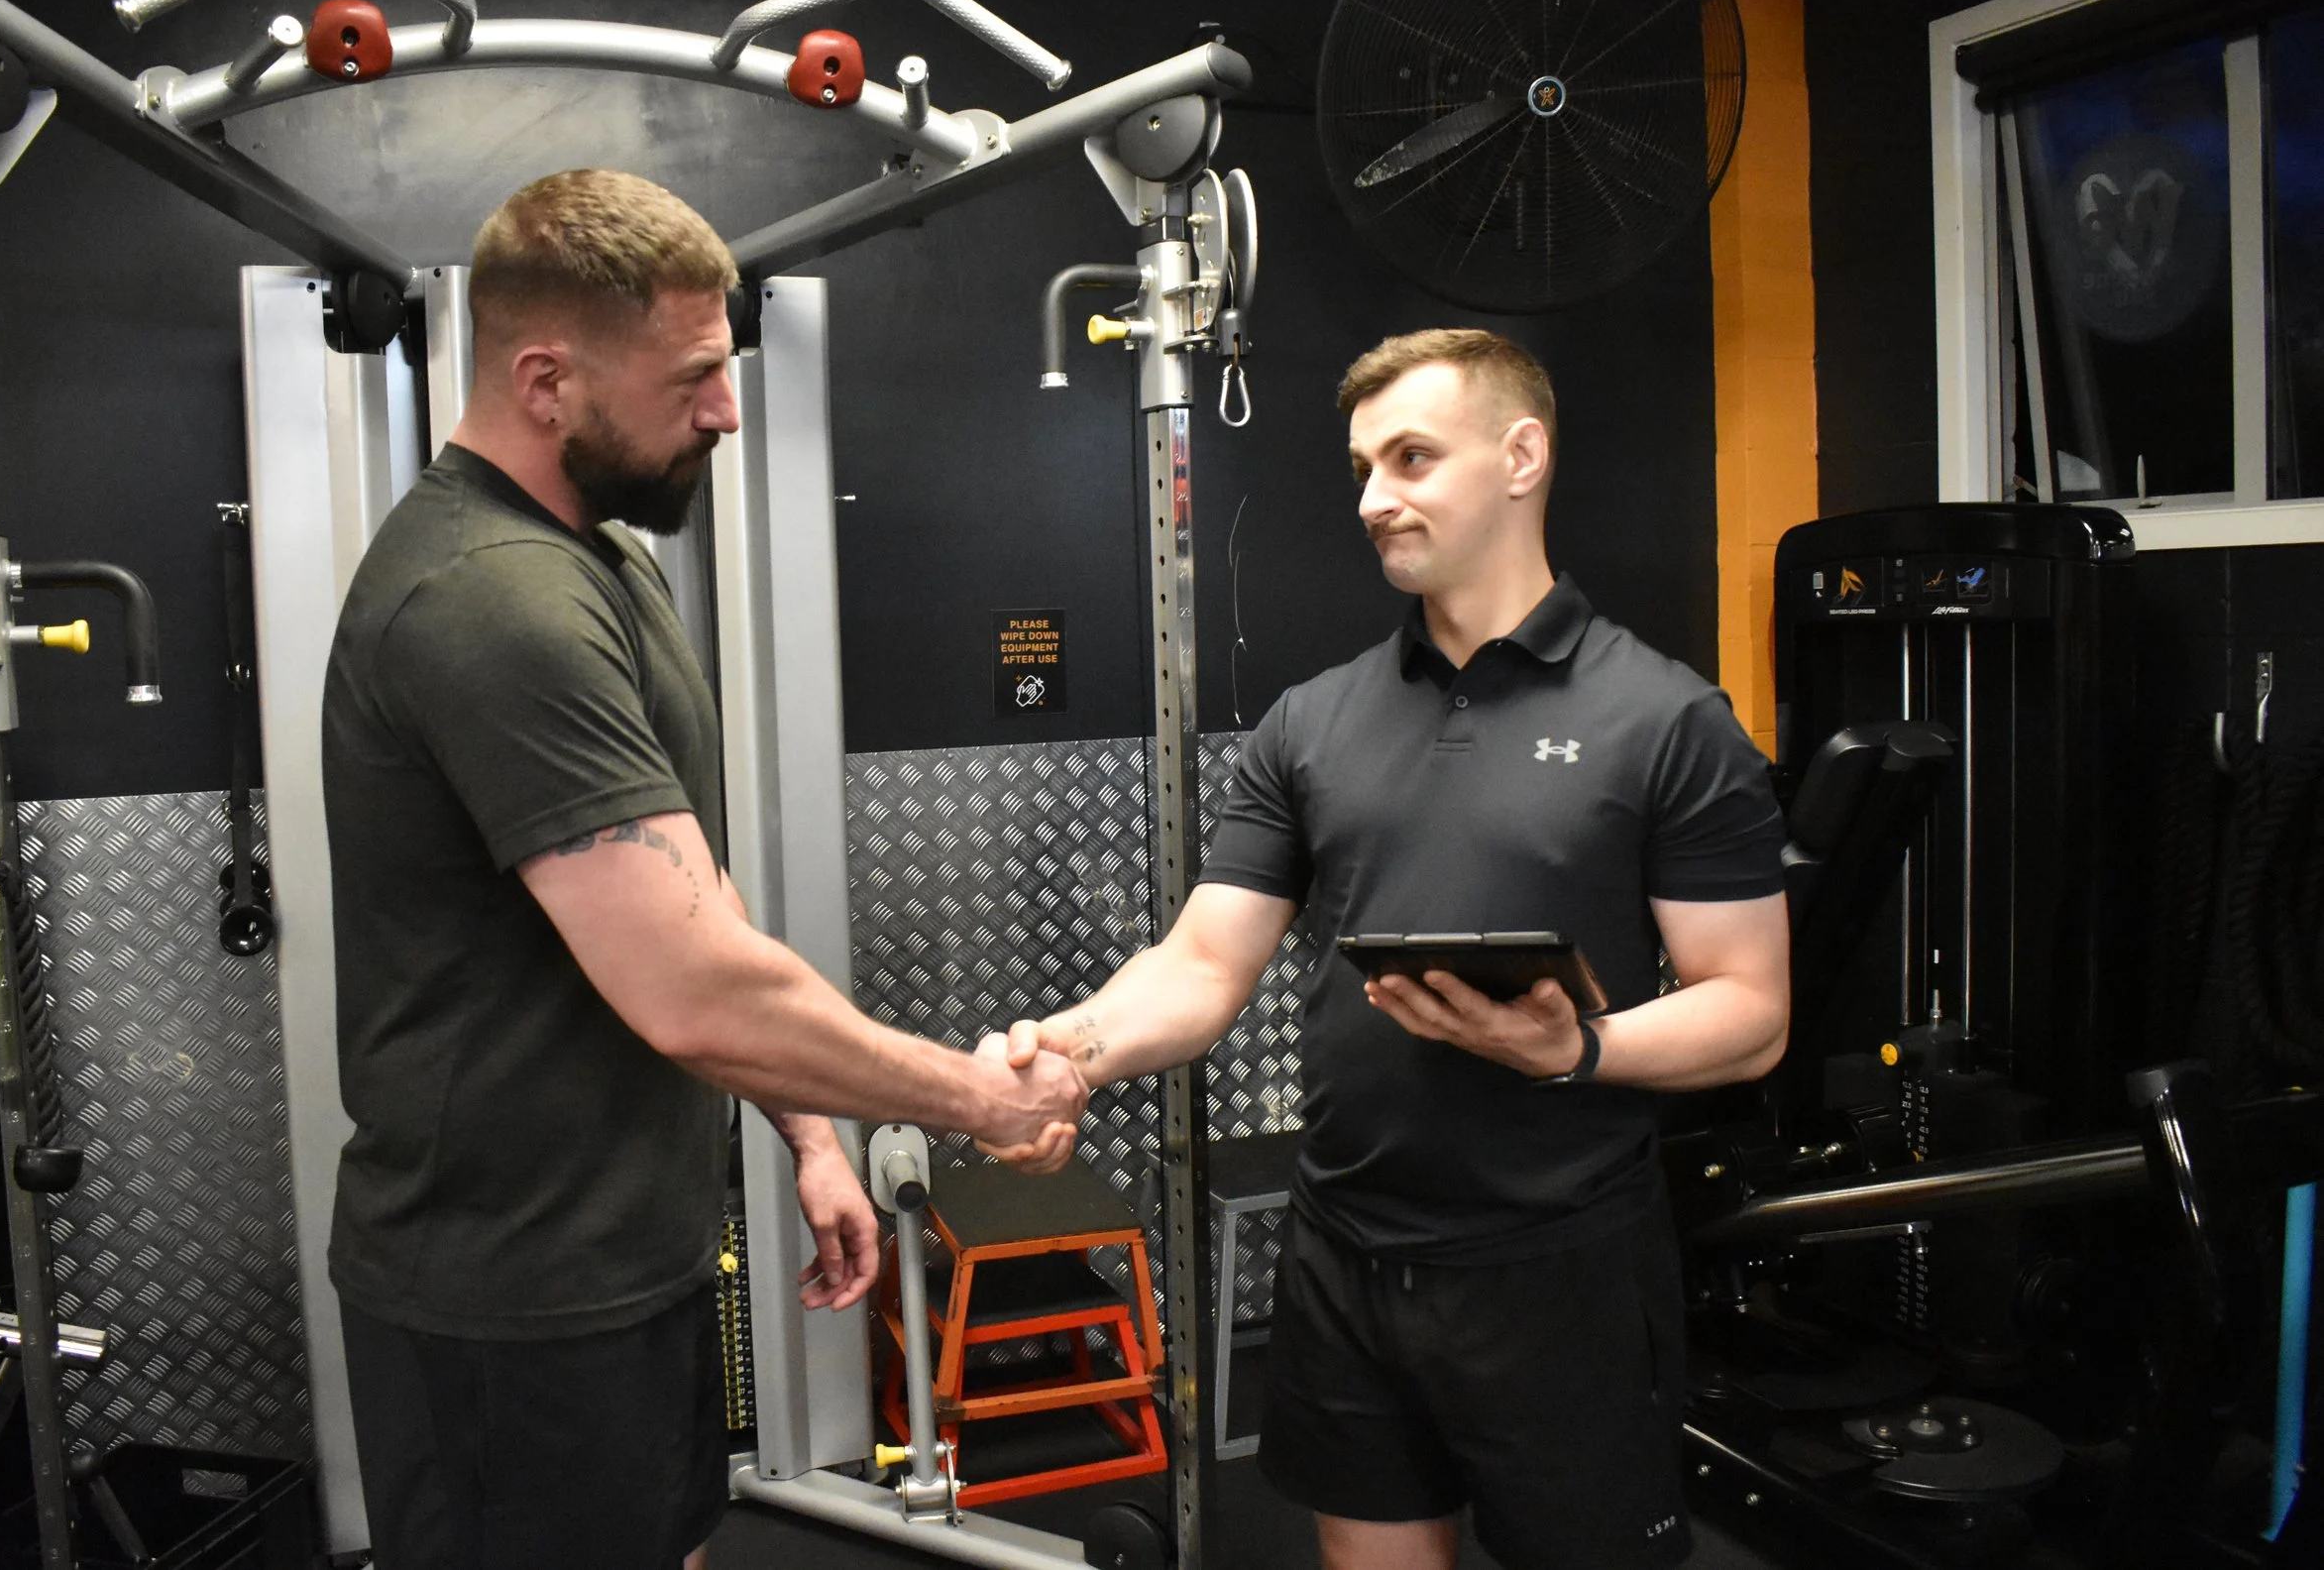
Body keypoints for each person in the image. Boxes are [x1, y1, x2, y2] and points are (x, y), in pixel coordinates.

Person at [319, 168, 1086, 1570]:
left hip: (631, 1257)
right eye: (691, 380)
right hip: (511, 1303)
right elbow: (692, 989)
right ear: (546, 381)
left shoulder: (606, 563)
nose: (727, 411)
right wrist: (979, 1098)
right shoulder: (490, 601)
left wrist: (811, 1134)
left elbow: (694, 895)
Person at [987, 329, 1791, 1570]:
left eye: (1411, 458)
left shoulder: (1663, 717)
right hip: (1346, 1254)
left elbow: (1752, 1011)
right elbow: (1201, 963)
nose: (1372, 498)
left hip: (1557, 1263)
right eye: (1362, 467)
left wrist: (1576, 1048)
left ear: (1521, 457)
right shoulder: (1312, 720)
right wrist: (1072, 1052)